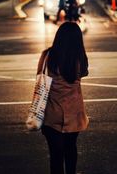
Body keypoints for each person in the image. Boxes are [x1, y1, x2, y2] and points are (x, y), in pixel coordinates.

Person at [37, 21, 89, 174]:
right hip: (74, 114)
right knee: (71, 149)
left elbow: (40, 76)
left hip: (52, 115)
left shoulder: (48, 55)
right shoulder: (80, 58)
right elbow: (83, 73)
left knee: (55, 156)